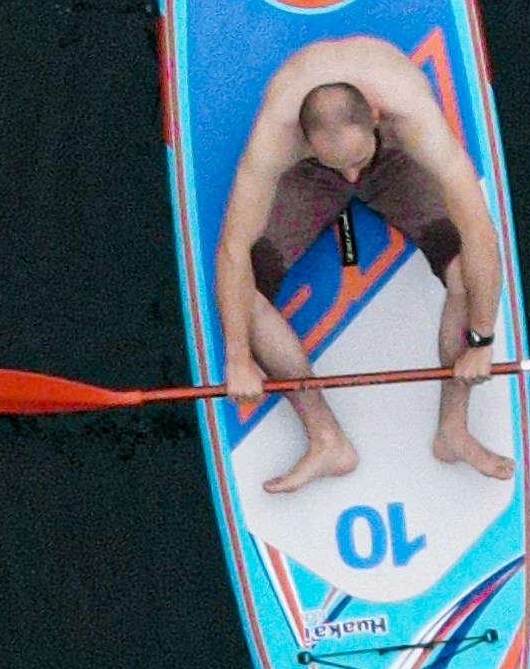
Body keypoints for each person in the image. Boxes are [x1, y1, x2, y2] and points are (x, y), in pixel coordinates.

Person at [207, 45, 511, 493]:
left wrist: (481, 340)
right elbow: (233, 249)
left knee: (468, 274)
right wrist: (237, 357)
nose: (351, 179)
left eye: (356, 162)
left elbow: (481, 235)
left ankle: (454, 430)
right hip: (308, 175)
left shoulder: (408, 111)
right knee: (241, 295)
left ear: (374, 115)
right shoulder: (277, 132)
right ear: (304, 137)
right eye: (339, 165)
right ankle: (326, 439)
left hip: (394, 159)